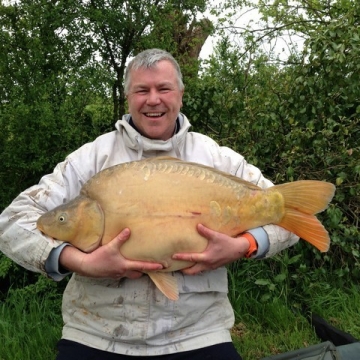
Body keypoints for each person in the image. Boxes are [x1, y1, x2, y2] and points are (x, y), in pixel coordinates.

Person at [0, 49, 298, 359]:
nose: (153, 99)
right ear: (128, 96)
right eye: (142, 90)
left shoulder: (217, 159)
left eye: (163, 89)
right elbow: (11, 223)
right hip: (95, 333)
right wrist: (82, 263)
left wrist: (244, 245)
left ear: (180, 95)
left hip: (198, 332)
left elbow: (288, 219)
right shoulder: (90, 160)